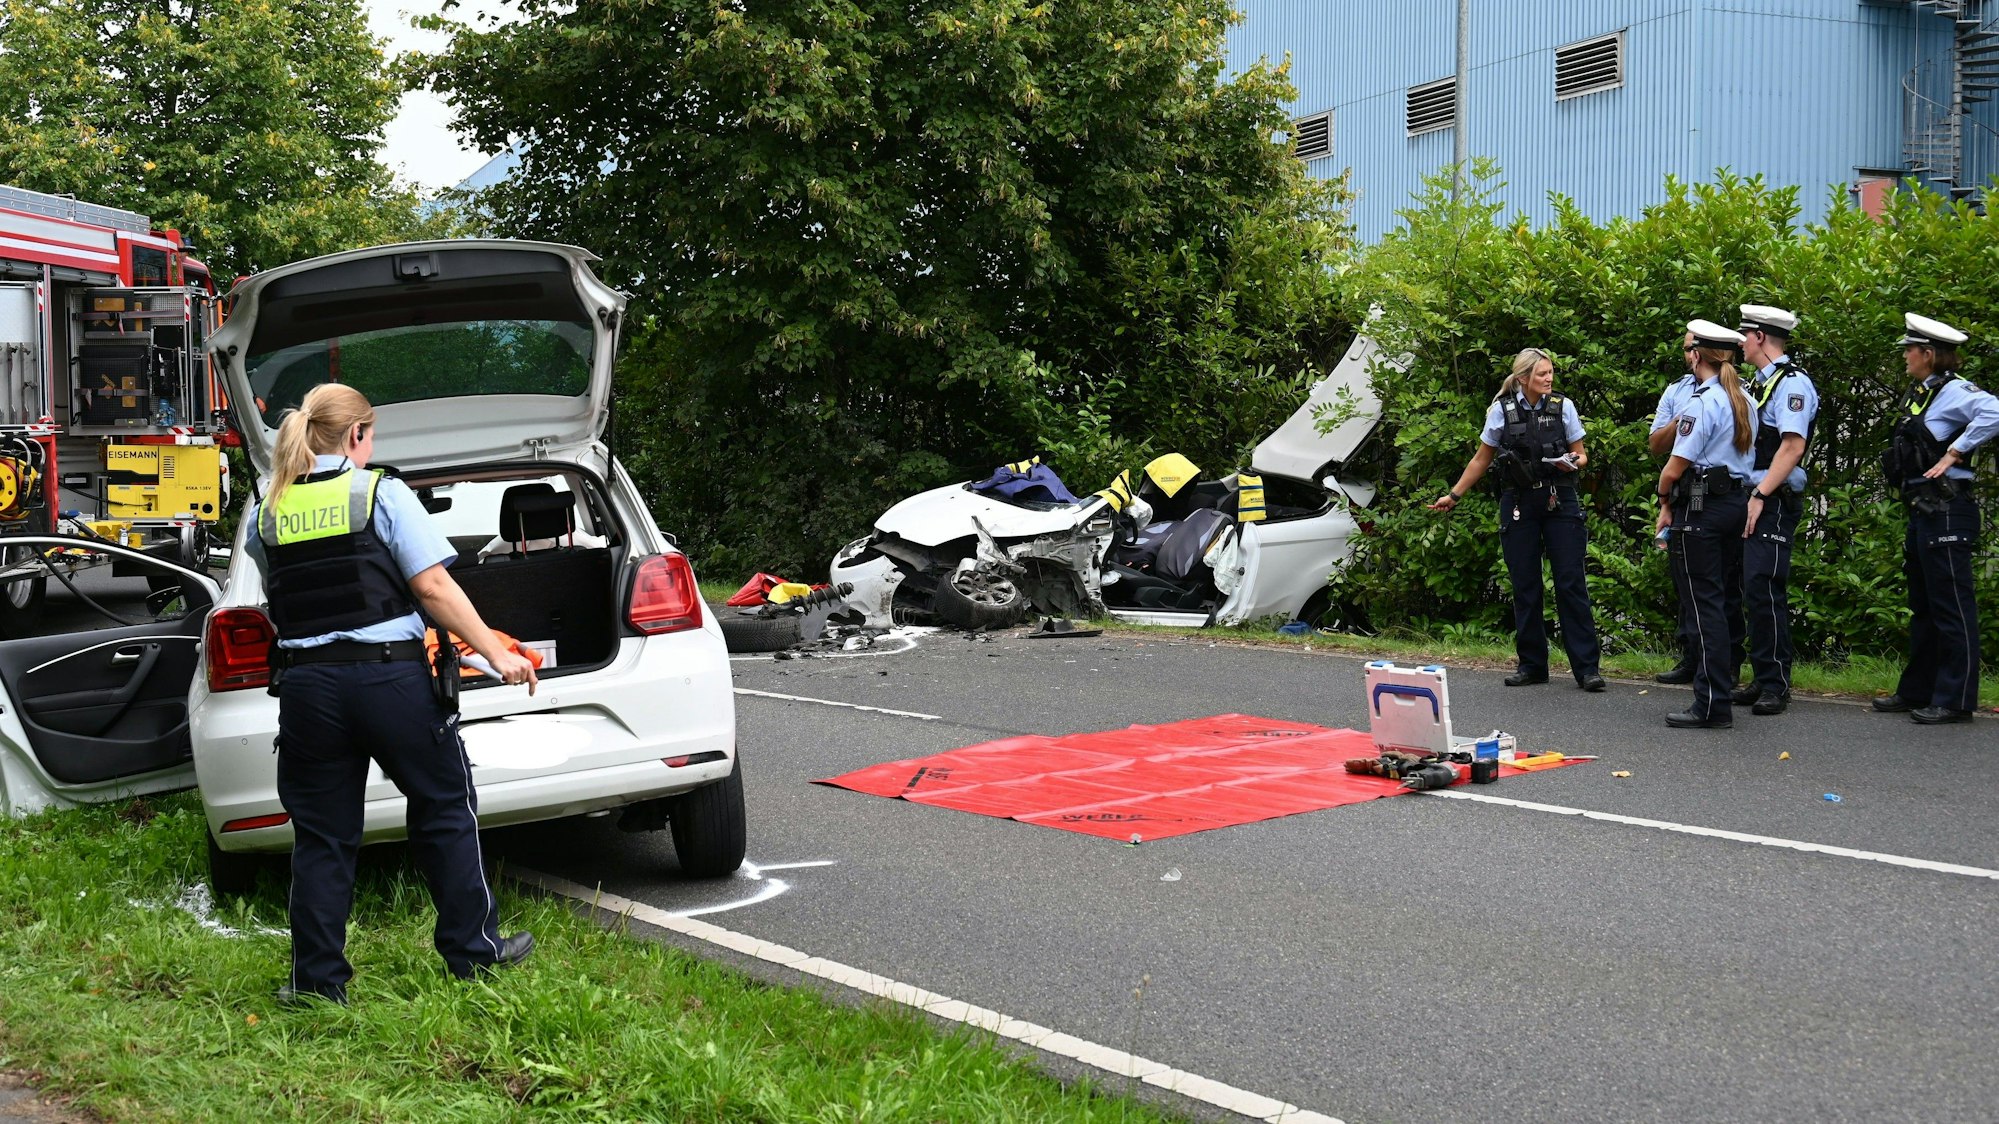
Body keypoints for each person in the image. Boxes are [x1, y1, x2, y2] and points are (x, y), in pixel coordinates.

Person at [246, 384, 539, 1004]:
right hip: (387, 680)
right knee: (443, 807)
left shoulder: (265, 510)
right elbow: (431, 586)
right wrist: (494, 652)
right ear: (356, 436)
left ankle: (317, 984)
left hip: (308, 688)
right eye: (371, 435)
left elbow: (283, 590)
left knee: (322, 835)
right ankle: (473, 956)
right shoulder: (378, 492)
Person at [1429, 348, 1606, 692]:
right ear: (1524, 378)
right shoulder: (1501, 411)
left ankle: (1587, 670)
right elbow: (1482, 459)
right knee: (1526, 584)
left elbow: (1582, 455)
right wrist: (1454, 495)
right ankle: (1532, 665)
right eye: (1542, 374)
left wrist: (1570, 461)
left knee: (1570, 582)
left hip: (1559, 498)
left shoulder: (1562, 407)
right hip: (1519, 502)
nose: (1549, 378)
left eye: (1551, 372)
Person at [1871, 313, 1999, 724]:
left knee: (1952, 607)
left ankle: (1956, 700)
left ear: (1929, 353)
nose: (1905, 356)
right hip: (1924, 510)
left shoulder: (1958, 392)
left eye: (1911, 349)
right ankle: (1917, 691)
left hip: (1948, 510)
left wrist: (1956, 450)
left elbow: (1995, 411)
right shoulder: (1924, 392)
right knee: (1923, 606)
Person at [1655, 320, 1758, 729]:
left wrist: (1665, 499)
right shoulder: (1744, 399)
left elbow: (1674, 465)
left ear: (1697, 354)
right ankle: (1716, 694)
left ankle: (1711, 704)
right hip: (1732, 503)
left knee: (1702, 608)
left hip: (1701, 508)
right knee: (1719, 600)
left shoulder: (1702, 402)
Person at [1733, 304, 1819, 716]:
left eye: (1744, 334)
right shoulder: (1764, 382)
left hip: (1773, 500)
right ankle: (1764, 674)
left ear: (1761, 338)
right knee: (1753, 588)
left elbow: (1792, 446)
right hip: (1756, 497)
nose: (1741, 342)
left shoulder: (1793, 385)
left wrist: (1761, 494)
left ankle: (1775, 683)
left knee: (1765, 587)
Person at [1648, 357, 1701, 685]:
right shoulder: (1676, 390)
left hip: (1716, 490)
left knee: (1714, 580)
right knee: (1683, 575)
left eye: (1692, 348)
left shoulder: (1733, 390)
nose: (1688, 355)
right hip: (1684, 490)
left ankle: (1724, 663)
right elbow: (1656, 444)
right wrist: (1680, 421)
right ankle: (1691, 657)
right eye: (1684, 348)